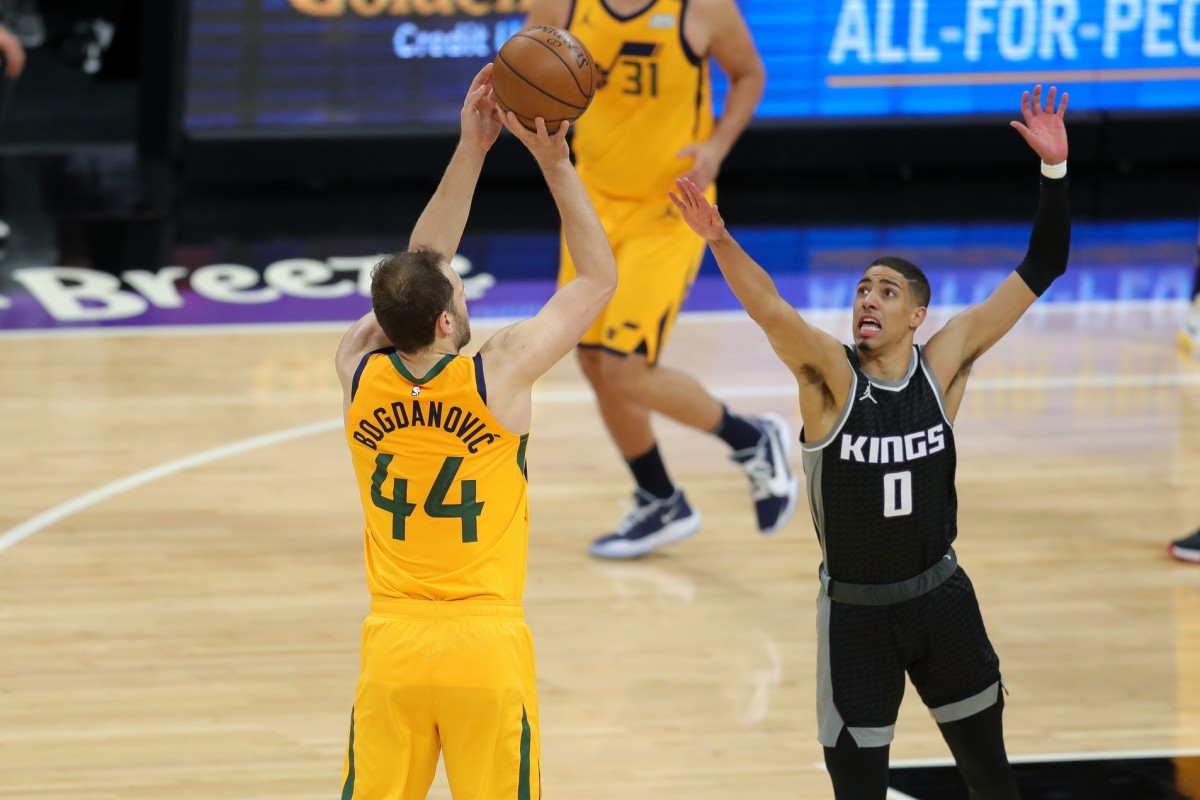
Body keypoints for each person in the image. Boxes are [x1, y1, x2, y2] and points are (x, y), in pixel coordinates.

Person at [669, 85, 1072, 798]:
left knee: (990, 776)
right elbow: (769, 308)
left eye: (886, 292)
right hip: (855, 617)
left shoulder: (944, 364)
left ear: (918, 314)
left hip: (943, 600)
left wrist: (1054, 173)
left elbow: (1041, 268)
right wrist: (720, 240)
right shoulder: (828, 379)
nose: (867, 299)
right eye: (862, 289)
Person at [333, 66, 616, 799]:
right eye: (457, 292)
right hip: (483, 645)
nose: (459, 287)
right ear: (444, 322)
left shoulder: (358, 369)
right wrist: (556, 165)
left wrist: (471, 149)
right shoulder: (500, 376)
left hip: (391, 645)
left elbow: (420, 268)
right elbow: (596, 280)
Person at [523, 0, 798, 559]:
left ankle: (751, 439)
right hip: (590, 202)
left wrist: (717, 148)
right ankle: (658, 496)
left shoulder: (701, 8)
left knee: (626, 368)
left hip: (669, 209)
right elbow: (523, 67)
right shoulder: (562, 4)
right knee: (594, 361)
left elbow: (748, 73)